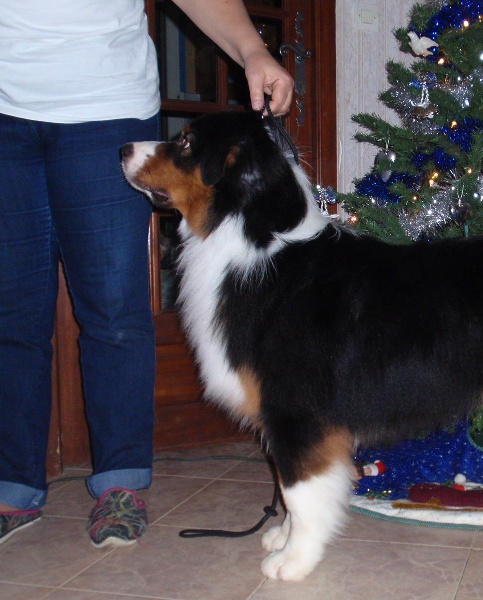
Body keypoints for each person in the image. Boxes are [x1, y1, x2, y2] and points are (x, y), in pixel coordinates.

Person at [0, 0, 293, 547]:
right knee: (11, 316)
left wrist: (252, 50)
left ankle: (121, 484)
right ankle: (11, 486)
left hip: (104, 107)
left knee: (114, 314)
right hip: (3, 117)